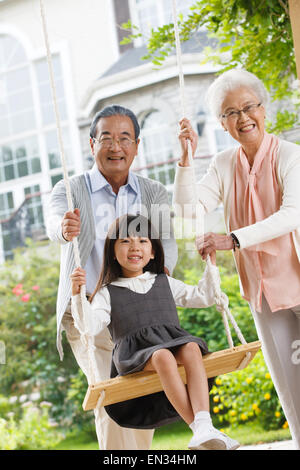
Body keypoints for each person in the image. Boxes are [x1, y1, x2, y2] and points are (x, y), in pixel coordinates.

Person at [173, 68, 300, 449]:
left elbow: (293, 213)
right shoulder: (223, 164)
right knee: (290, 390)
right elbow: (187, 213)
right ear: (222, 124)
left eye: (249, 107)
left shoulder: (291, 156)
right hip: (263, 293)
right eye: (231, 113)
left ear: (265, 110)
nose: (243, 118)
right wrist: (185, 159)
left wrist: (231, 239)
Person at [46, 105, 178, 450]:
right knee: (114, 397)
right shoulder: (70, 190)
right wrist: (64, 228)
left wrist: (162, 277)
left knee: (141, 396)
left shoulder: (153, 193)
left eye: (124, 138)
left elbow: (167, 246)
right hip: (90, 312)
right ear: (92, 144)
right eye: (106, 138)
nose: (115, 147)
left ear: (137, 145)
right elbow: (54, 225)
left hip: (139, 313)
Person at [70, 213, 240, 451]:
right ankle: (198, 429)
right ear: (112, 252)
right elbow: (90, 326)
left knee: (191, 347)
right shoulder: (107, 292)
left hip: (172, 342)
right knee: (162, 356)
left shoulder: (163, 281)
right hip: (134, 353)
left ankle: (204, 425)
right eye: (125, 241)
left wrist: (210, 265)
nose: (134, 247)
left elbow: (203, 296)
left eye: (142, 241)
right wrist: (78, 295)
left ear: (152, 251)